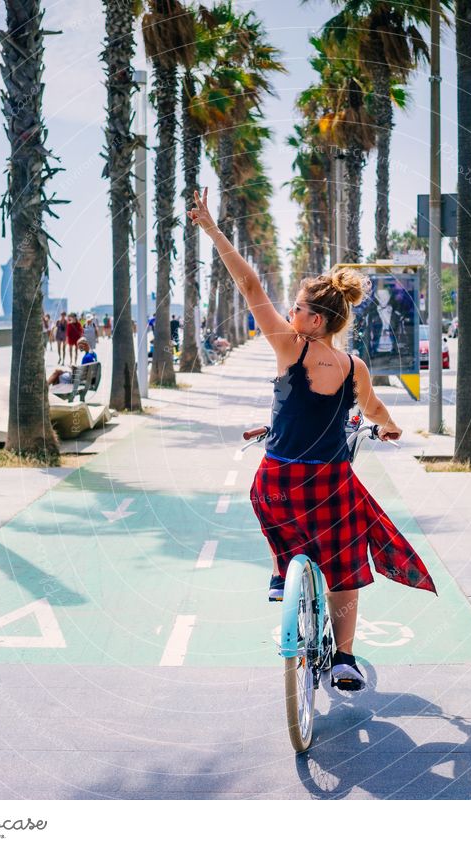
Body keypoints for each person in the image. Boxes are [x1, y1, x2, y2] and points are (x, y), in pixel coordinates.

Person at [188, 187, 437, 691]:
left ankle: (283, 571)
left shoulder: (289, 349)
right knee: (345, 564)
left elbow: (249, 284)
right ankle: (344, 657)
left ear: (315, 320)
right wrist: (389, 427)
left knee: (263, 499)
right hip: (331, 486)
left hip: (279, 484)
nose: (289, 312)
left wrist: (213, 230)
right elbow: (375, 410)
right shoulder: (352, 367)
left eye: (297, 307)